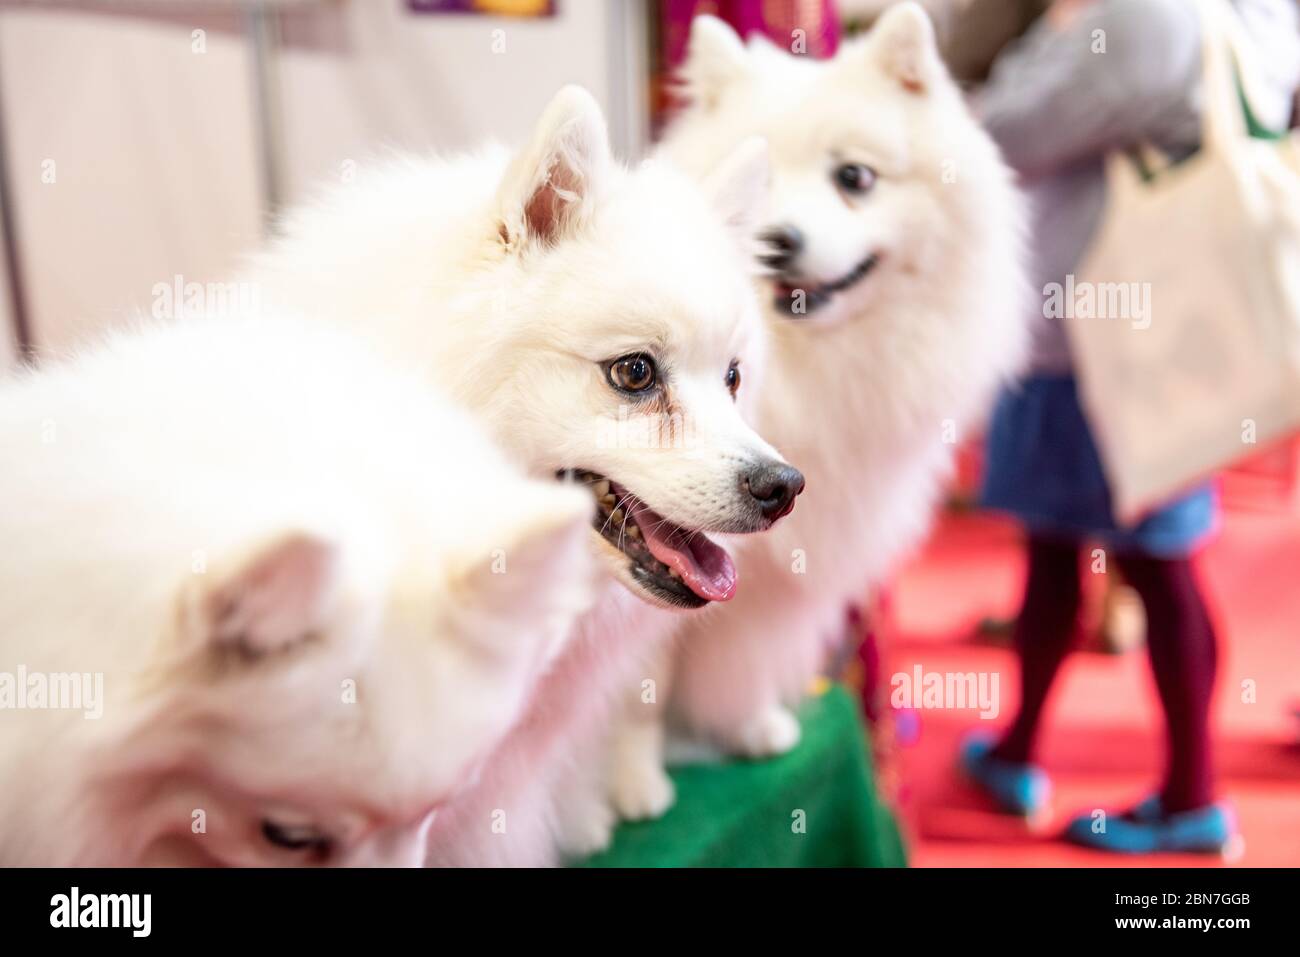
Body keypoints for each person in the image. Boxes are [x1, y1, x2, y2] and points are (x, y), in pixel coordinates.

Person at [962, 0, 1300, 854]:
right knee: (1108, 559)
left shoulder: (1149, 19)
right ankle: (1023, 747)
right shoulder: (1256, 13)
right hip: (1155, 343)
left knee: (1138, 565)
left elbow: (1001, 134)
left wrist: (1053, 36)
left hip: (1094, 349)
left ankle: (1190, 796)